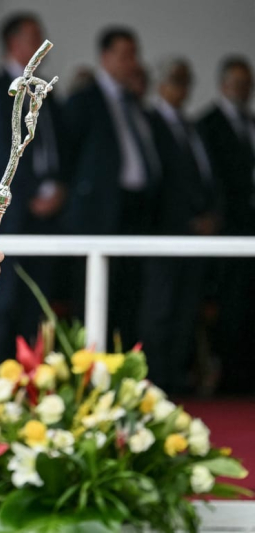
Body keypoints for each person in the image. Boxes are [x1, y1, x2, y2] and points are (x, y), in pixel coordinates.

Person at [0, 13, 64, 384]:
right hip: (12, 211)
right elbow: (0, 150)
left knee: (37, 302)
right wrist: (26, 196)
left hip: (47, 214)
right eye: (33, 37)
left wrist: (57, 187)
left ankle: (31, 387)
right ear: (13, 42)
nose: (41, 45)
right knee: (3, 301)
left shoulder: (45, 89)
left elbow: (51, 148)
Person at [62, 27, 161, 348]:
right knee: (94, 293)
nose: (132, 62)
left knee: (129, 295)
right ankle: (90, 366)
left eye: (134, 55)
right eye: (125, 55)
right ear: (105, 57)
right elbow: (68, 156)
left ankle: (123, 365)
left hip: (136, 208)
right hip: (97, 212)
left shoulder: (134, 103)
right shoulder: (84, 100)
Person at [139, 58, 217, 393]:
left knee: (186, 308)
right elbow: (158, 181)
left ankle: (177, 379)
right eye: (175, 80)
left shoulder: (192, 126)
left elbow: (205, 175)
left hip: (196, 233)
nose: (182, 88)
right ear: (160, 83)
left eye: (187, 81)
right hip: (163, 231)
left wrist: (210, 215)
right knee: (160, 308)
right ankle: (156, 381)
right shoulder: (149, 122)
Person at [197, 56, 255, 394]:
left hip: (250, 226)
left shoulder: (250, 122)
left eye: (247, 83)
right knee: (228, 303)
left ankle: (246, 374)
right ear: (223, 84)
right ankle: (228, 377)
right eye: (237, 83)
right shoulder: (207, 124)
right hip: (226, 228)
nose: (243, 89)